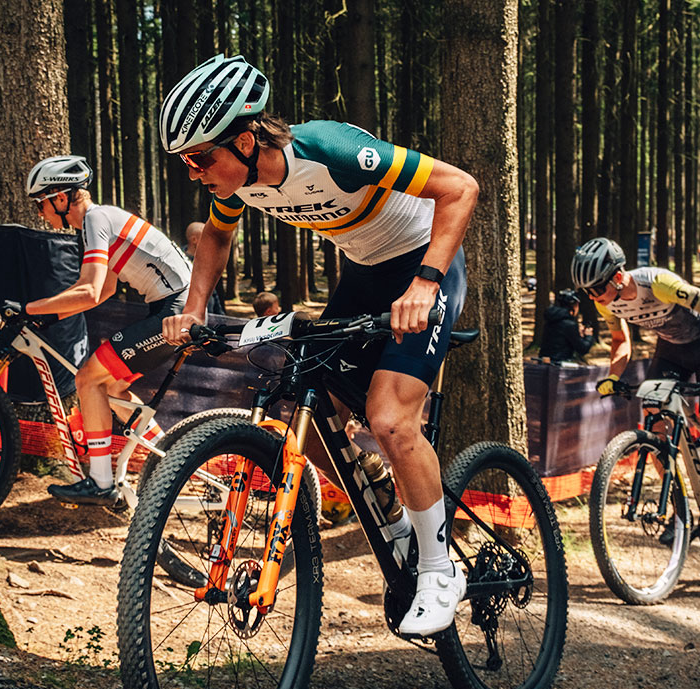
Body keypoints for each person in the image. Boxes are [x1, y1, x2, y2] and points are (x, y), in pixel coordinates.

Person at [157, 54, 478, 636]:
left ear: (249, 140)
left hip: (424, 264)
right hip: (363, 274)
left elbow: (460, 188)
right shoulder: (239, 185)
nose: (192, 170)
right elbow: (214, 239)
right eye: (185, 161)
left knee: (391, 420)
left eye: (200, 157)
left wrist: (426, 283)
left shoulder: (329, 151)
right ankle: (388, 503)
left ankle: (440, 570)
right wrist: (194, 311)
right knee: (310, 404)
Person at [23, 155, 193, 505]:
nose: (41, 214)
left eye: (41, 204)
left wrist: (28, 309)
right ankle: (172, 460)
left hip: (175, 310)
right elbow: (103, 291)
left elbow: (89, 290)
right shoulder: (101, 219)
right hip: (173, 307)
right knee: (112, 387)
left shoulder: (95, 219)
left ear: (60, 197)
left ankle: (101, 482)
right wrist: (50, 317)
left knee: (88, 379)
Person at [573, 237, 700, 535]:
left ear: (617, 276)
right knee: (654, 424)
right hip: (671, 349)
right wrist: (614, 375)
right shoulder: (606, 303)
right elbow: (620, 340)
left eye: (597, 289)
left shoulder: (659, 284)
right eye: (586, 292)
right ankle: (679, 513)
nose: (592, 297)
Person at [538, 289, 597, 363]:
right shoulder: (569, 325)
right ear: (574, 305)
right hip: (560, 367)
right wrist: (588, 336)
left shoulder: (552, 319)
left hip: (543, 364)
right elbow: (583, 349)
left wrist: (578, 334)